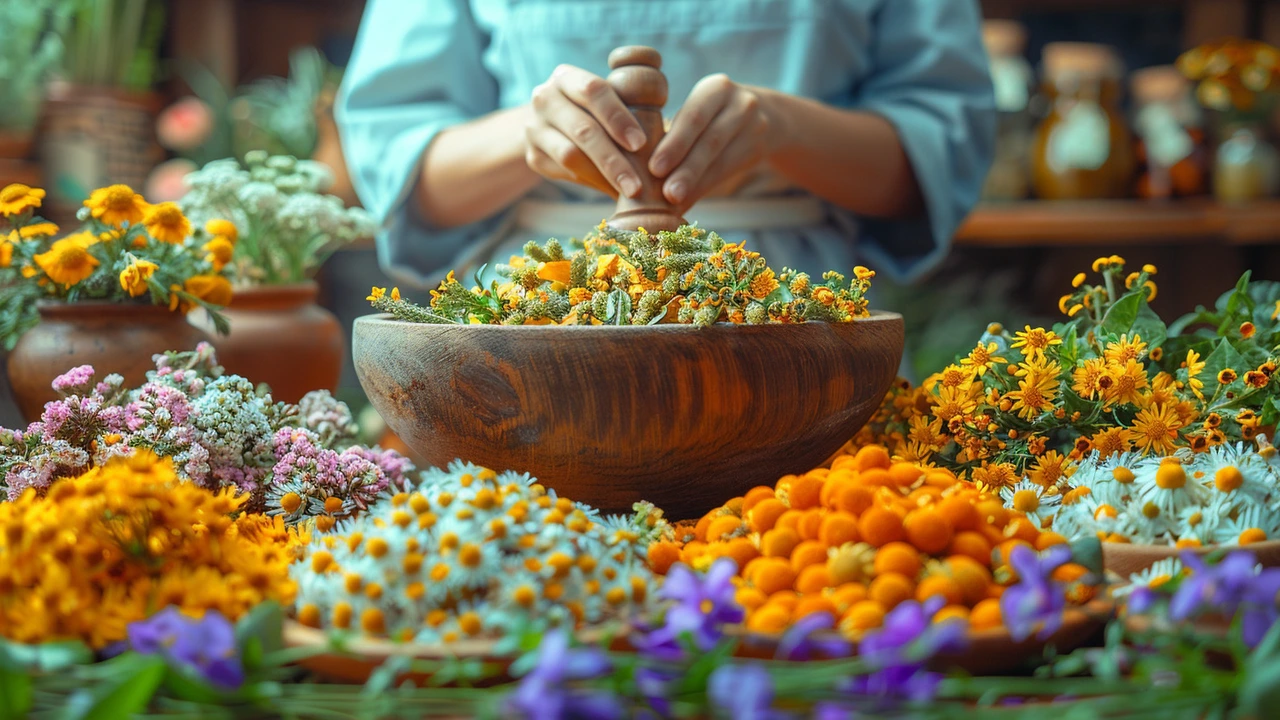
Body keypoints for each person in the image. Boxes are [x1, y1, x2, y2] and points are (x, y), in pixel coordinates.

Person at [338, 0, 995, 289]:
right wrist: (527, 133)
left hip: (796, 320)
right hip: (536, 322)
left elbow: (937, 157)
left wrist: (784, 130)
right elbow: (401, 170)